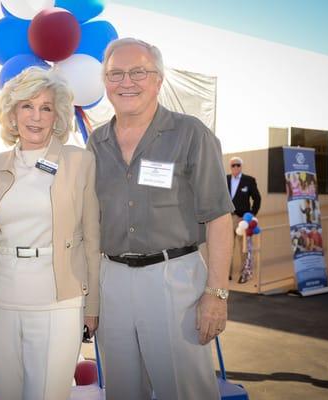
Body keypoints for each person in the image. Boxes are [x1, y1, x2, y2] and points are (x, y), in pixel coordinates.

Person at [87, 37, 233, 400]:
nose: (126, 82)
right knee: (122, 389)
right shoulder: (96, 143)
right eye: (116, 74)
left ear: (158, 80)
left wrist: (216, 294)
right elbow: (87, 223)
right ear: (105, 82)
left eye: (138, 72)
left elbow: (218, 218)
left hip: (174, 280)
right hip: (112, 282)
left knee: (184, 390)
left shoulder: (191, 134)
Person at [0, 66, 100, 400]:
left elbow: (92, 239)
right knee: (4, 394)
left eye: (45, 107)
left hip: (58, 300)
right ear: (12, 113)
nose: (36, 116)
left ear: (57, 115)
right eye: (26, 106)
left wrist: (94, 305)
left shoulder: (79, 162)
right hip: (1, 300)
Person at [226, 156, 261, 280]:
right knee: (227, 247)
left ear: (241, 166)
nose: (235, 167)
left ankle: (244, 273)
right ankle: (226, 274)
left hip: (242, 220)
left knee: (244, 248)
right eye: (233, 165)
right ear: (230, 167)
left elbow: (257, 198)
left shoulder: (249, 180)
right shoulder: (225, 179)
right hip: (227, 219)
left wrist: (251, 214)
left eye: (238, 165)